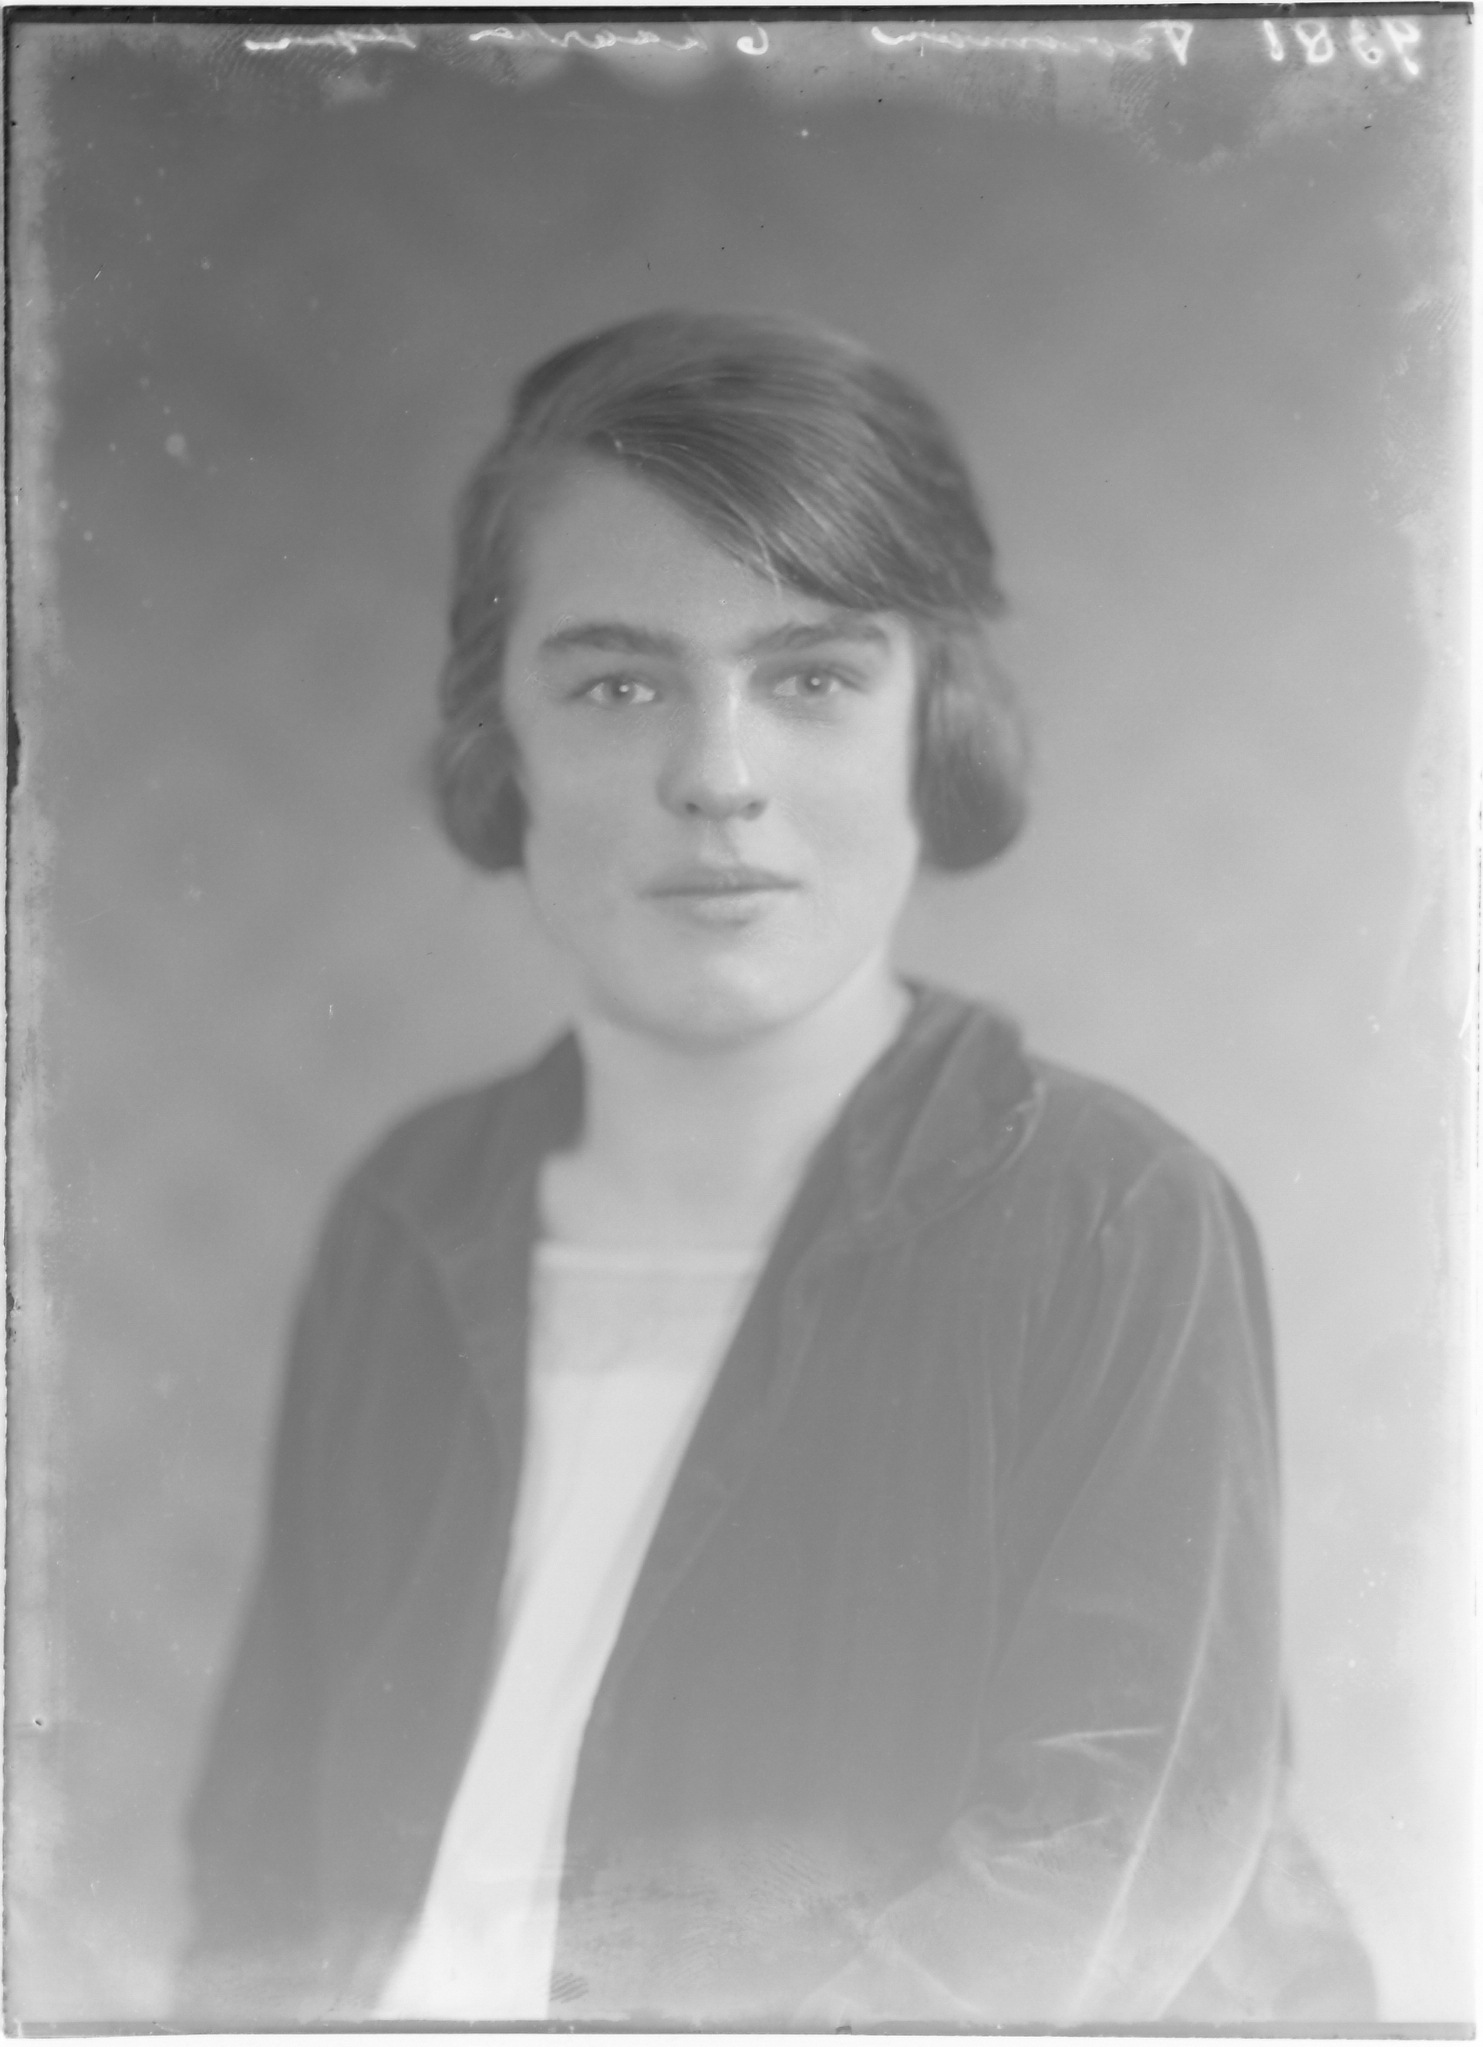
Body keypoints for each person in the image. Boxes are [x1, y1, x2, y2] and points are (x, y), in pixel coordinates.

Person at [180, 310, 1375, 2025]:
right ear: (501, 740)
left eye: (811, 679)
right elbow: (262, 1847)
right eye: (617, 685)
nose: (718, 778)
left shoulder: (1108, 1219)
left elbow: (1103, 1871)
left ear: (934, 726)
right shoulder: (413, 1212)